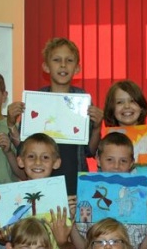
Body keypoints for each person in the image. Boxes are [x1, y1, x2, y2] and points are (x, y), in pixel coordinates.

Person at [6, 38, 103, 195]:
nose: (63, 65)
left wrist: (98, 126)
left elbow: (90, 150)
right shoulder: (36, 101)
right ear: (46, 66)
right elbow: (22, 146)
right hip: (41, 179)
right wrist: (11, 123)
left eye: (69, 60)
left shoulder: (83, 100)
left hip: (74, 179)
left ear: (77, 68)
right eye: (57, 60)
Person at [0, 133, 75, 249]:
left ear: (56, 162)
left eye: (45, 157)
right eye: (31, 156)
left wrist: (62, 242)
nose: (38, 162)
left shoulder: (62, 200)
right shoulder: (10, 197)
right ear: (20, 161)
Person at [70, 132, 147, 249]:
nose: (116, 166)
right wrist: (72, 223)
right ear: (97, 159)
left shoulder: (139, 198)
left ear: (132, 163)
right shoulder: (86, 195)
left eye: (123, 161)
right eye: (110, 160)